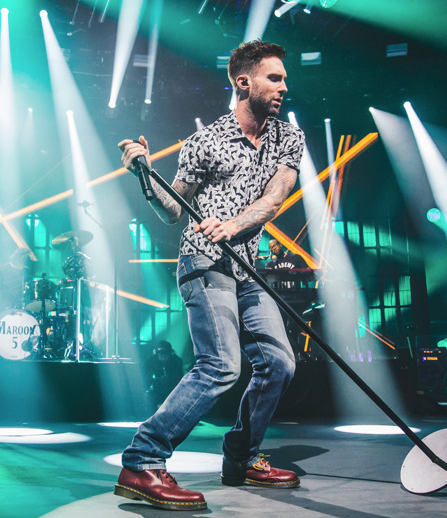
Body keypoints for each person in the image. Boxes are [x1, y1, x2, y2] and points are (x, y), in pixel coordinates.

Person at [115, 40, 305, 510]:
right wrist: (145, 173)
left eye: (283, 78)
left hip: (247, 268)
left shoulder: (288, 137)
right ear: (244, 82)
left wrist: (234, 224)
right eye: (274, 78)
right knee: (221, 365)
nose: (284, 86)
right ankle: (142, 460)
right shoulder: (206, 141)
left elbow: (275, 198)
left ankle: (241, 458)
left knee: (280, 363)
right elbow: (172, 210)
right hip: (203, 262)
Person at [144, 340, 184, 409]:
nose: (163, 357)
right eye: (161, 354)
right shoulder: (152, 361)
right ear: (156, 354)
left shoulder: (176, 362)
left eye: (165, 354)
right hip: (157, 390)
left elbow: (179, 378)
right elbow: (145, 374)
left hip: (172, 390)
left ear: (170, 353)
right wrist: (146, 390)